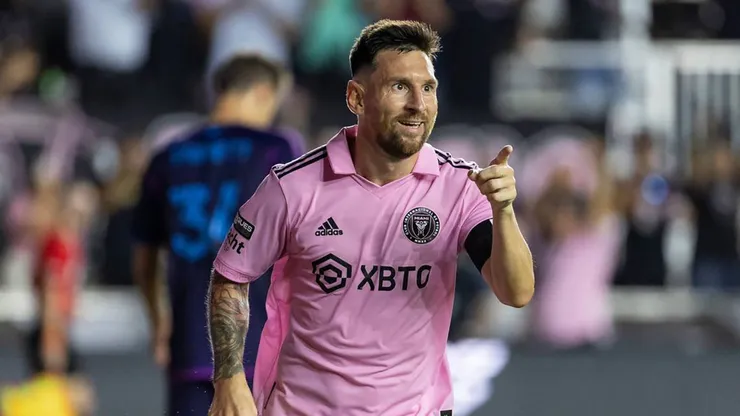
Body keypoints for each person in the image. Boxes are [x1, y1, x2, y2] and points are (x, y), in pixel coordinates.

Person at [207, 20, 535, 416]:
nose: (418, 104)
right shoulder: (292, 187)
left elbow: (516, 292)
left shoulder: (460, 186)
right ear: (356, 98)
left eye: (428, 88)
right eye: (399, 87)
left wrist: (504, 211)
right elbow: (231, 276)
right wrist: (229, 380)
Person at [131, 54, 301, 416]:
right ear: (263, 92)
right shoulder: (280, 150)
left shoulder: (168, 156)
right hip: (260, 345)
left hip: (191, 341)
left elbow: (145, 257)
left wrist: (160, 321)